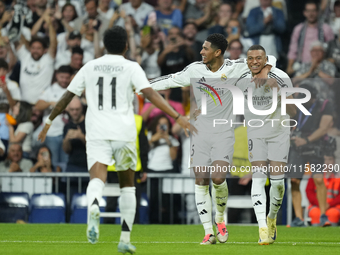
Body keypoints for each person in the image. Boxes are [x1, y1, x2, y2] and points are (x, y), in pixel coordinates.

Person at [38, 26, 191, 254]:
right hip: (124, 132)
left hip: (97, 131)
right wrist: (177, 116)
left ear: (104, 46)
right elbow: (150, 94)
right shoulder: (131, 67)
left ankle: (93, 205)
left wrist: (49, 120)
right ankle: (125, 239)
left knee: (97, 179)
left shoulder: (89, 66)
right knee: (128, 186)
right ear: (126, 46)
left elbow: (67, 96)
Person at [149, 33, 276, 244]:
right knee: (200, 180)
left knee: (218, 178)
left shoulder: (236, 67)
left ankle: (219, 219)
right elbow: (170, 80)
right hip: (198, 134)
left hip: (223, 133)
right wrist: (144, 84)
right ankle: (208, 232)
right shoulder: (194, 69)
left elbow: (270, 57)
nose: (201, 52)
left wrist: (265, 69)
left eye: (205, 48)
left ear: (218, 52)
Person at [235, 45, 296, 244]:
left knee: (277, 183)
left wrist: (279, 92)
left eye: (259, 58)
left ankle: (271, 218)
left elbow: (294, 111)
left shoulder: (280, 76)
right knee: (259, 178)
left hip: (279, 133)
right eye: (250, 58)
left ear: (265, 59)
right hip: (256, 134)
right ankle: (262, 227)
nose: (254, 61)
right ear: (246, 60)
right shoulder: (242, 76)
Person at [287, 83, 334, 227]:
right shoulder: (296, 104)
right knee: (294, 181)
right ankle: (298, 218)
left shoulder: (325, 104)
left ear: (313, 97)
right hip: (297, 146)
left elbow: (324, 128)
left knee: (319, 180)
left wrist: (306, 140)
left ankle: (323, 215)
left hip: (315, 145)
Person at [35, 65, 74, 166]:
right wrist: (51, 103)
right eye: (62, 77)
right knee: (53, 162)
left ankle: (64, 182)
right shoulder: (50, 90)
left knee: (66, 162)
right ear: (56, 76)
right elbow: (38, 105)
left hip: (68, 133)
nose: (64, 80)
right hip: (51, 133)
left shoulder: (73, 89)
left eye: (67, 78)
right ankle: (54, 182)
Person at [287, 1, 334, 76]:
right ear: (304, 13)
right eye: (308, 11)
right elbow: (293, 50)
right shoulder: (298, 29)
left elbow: (332, 49)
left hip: (321, 68)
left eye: (313, 11)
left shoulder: (326, 29)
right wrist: (289, 66)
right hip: (302, 67)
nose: (311, 14)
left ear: (318, 12)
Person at [306, 153, 340, 226]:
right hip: (316, 205)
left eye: (330, 160)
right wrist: (320, 205)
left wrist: (329, 204)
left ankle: (332, 235)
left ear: (334, 161)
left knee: (333, 214)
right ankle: (315, 235)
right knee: (315, 213)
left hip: (333, 206)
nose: (327, 163)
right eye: (325, 160)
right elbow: (309, 192)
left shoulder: (338, 176)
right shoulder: (314, 175)